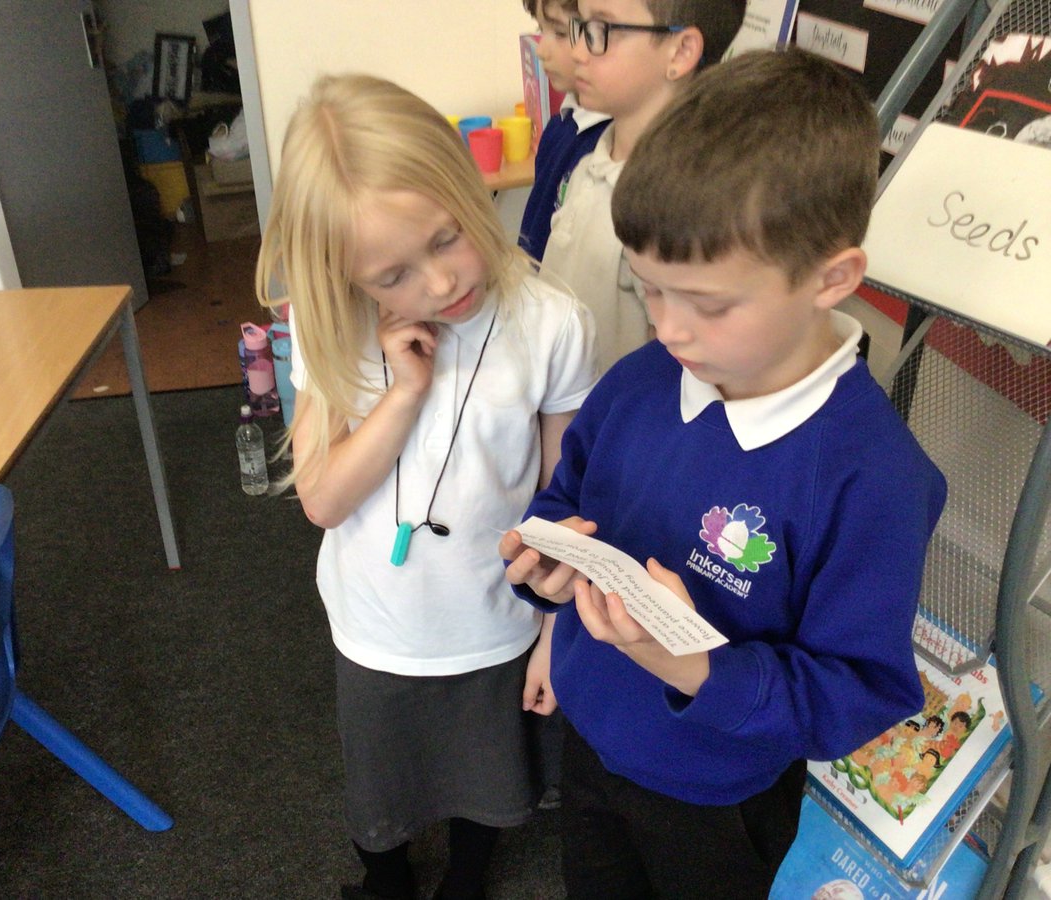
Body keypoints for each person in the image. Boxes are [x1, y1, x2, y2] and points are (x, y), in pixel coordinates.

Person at [499, 49, 948, 898]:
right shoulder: (639, 382)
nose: (669, 328)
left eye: (707, 303)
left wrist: (692, 665)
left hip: (720, 796)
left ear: (832, 278)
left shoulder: (873, 479)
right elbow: (568, 498)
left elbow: (858, 693)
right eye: (650, 288)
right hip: (593, 741)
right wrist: (545, 566)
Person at [255, 73, 598, 900]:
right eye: (392, 276)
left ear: (467, 185)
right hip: (377, 622)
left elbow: (564, 495)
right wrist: (403, 393)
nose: (439, 286)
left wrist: (556, 631)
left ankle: (467, 882)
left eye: (447, 238)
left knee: (491, 774)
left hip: (495, 617)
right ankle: (386, 881)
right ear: (347, 277)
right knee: (381, 785)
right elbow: (323, 500)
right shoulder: (328, 319)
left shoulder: (551, 322)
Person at [538, 0, 746, 372]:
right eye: (580, 26)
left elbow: (675, 370)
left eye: (601, 31)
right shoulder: (592, 162)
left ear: (680, 52)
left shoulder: (679, 202)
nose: (578, 50)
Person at [518, 0, 610, 262]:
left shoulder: (609, 143)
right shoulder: (560, 125)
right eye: (540, 29)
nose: (541, 50)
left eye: (559, 33)